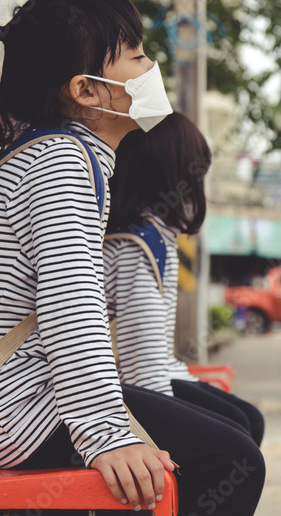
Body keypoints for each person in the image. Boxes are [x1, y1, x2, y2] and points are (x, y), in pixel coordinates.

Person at [0, 0, 264, 515]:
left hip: (4, 399)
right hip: (9, 408)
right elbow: (72, 308)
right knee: (234, 460)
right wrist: (107, 434)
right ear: (88, 90)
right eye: (136, 55)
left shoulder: (53, 155)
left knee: (229, 443)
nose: (150, 67)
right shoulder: (60, 162)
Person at [105, 113, 265, 446]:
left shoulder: (155, 236)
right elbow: (143, 373)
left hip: (149, 379)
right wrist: (161, 439)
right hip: (131, 391)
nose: (199, 188)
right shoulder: (137, 246)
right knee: (238, 445)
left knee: (247, 420)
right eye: (197, 175)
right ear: (171, 178)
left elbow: (157, 358)